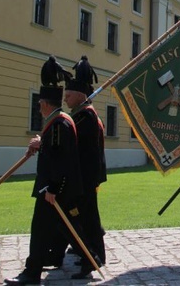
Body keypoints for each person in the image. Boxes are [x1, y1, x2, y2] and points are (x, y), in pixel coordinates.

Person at [5, 60, 86, 285]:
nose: (39, 107)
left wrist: (52, 188)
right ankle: (85, 257)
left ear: (44, 104)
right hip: (53, 188)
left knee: (41, 230)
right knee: (60, 229)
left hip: (52, 190)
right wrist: (42, 143)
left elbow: (62, 159)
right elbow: (55, 150)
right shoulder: (57, 122)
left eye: (40, 103)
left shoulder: (60, 124)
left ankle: (32, 273)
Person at [62, 56, 107, 280]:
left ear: (80, 95)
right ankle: (89, 253)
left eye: (68, 95)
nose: (65, 98)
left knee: (87, 219)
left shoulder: (85, 117)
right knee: (86, 218)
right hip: (85, 176)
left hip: (85, 176)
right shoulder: (82, 115)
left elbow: (78, 148)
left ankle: (94, 257)